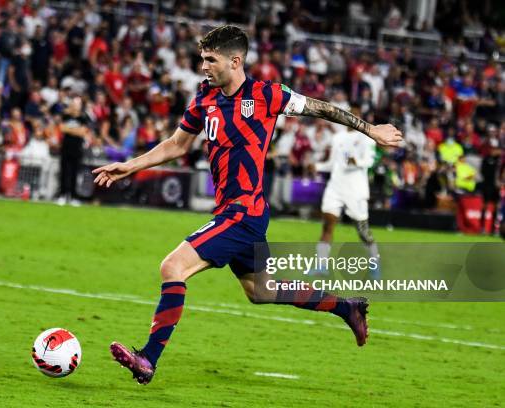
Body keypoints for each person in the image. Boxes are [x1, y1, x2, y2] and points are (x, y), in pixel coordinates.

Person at [93, 25, 402, 385]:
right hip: (238, 213)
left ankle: (148, 358)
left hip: (243, 212)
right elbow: (177, 145)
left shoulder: (267, 95)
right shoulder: (204, 99)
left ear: (235, 61)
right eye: (202, 59)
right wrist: (129, 166)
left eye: (211, 60)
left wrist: (370, 130)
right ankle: (346, 306)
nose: (204, 66)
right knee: (262, 291)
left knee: (172, 267)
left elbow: (321, 109)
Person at [313, 104, 380, 280]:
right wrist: (318, 166)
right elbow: (332, 163)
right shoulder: (338, 137)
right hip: (335, 187)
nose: (352, 118)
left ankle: (375, 263)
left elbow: (370, 162)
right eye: (350, 114)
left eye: (355, 115)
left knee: (362, 231)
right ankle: (321, 265)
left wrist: (355, 160)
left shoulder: (367, 138)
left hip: (355, 190)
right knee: (327, 225)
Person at [57, 97, 92, 206]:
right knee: (64, 172)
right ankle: (62, 195)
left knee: (75, 173)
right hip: (65, 147)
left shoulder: (84, 117)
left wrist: (70, 129)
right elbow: (62, 128)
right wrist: (76, 130)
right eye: (74, 103)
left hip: (77, 148)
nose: (76, 106)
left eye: (78, 104)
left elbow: (83, 132)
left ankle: (73, 196)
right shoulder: (65, 115)